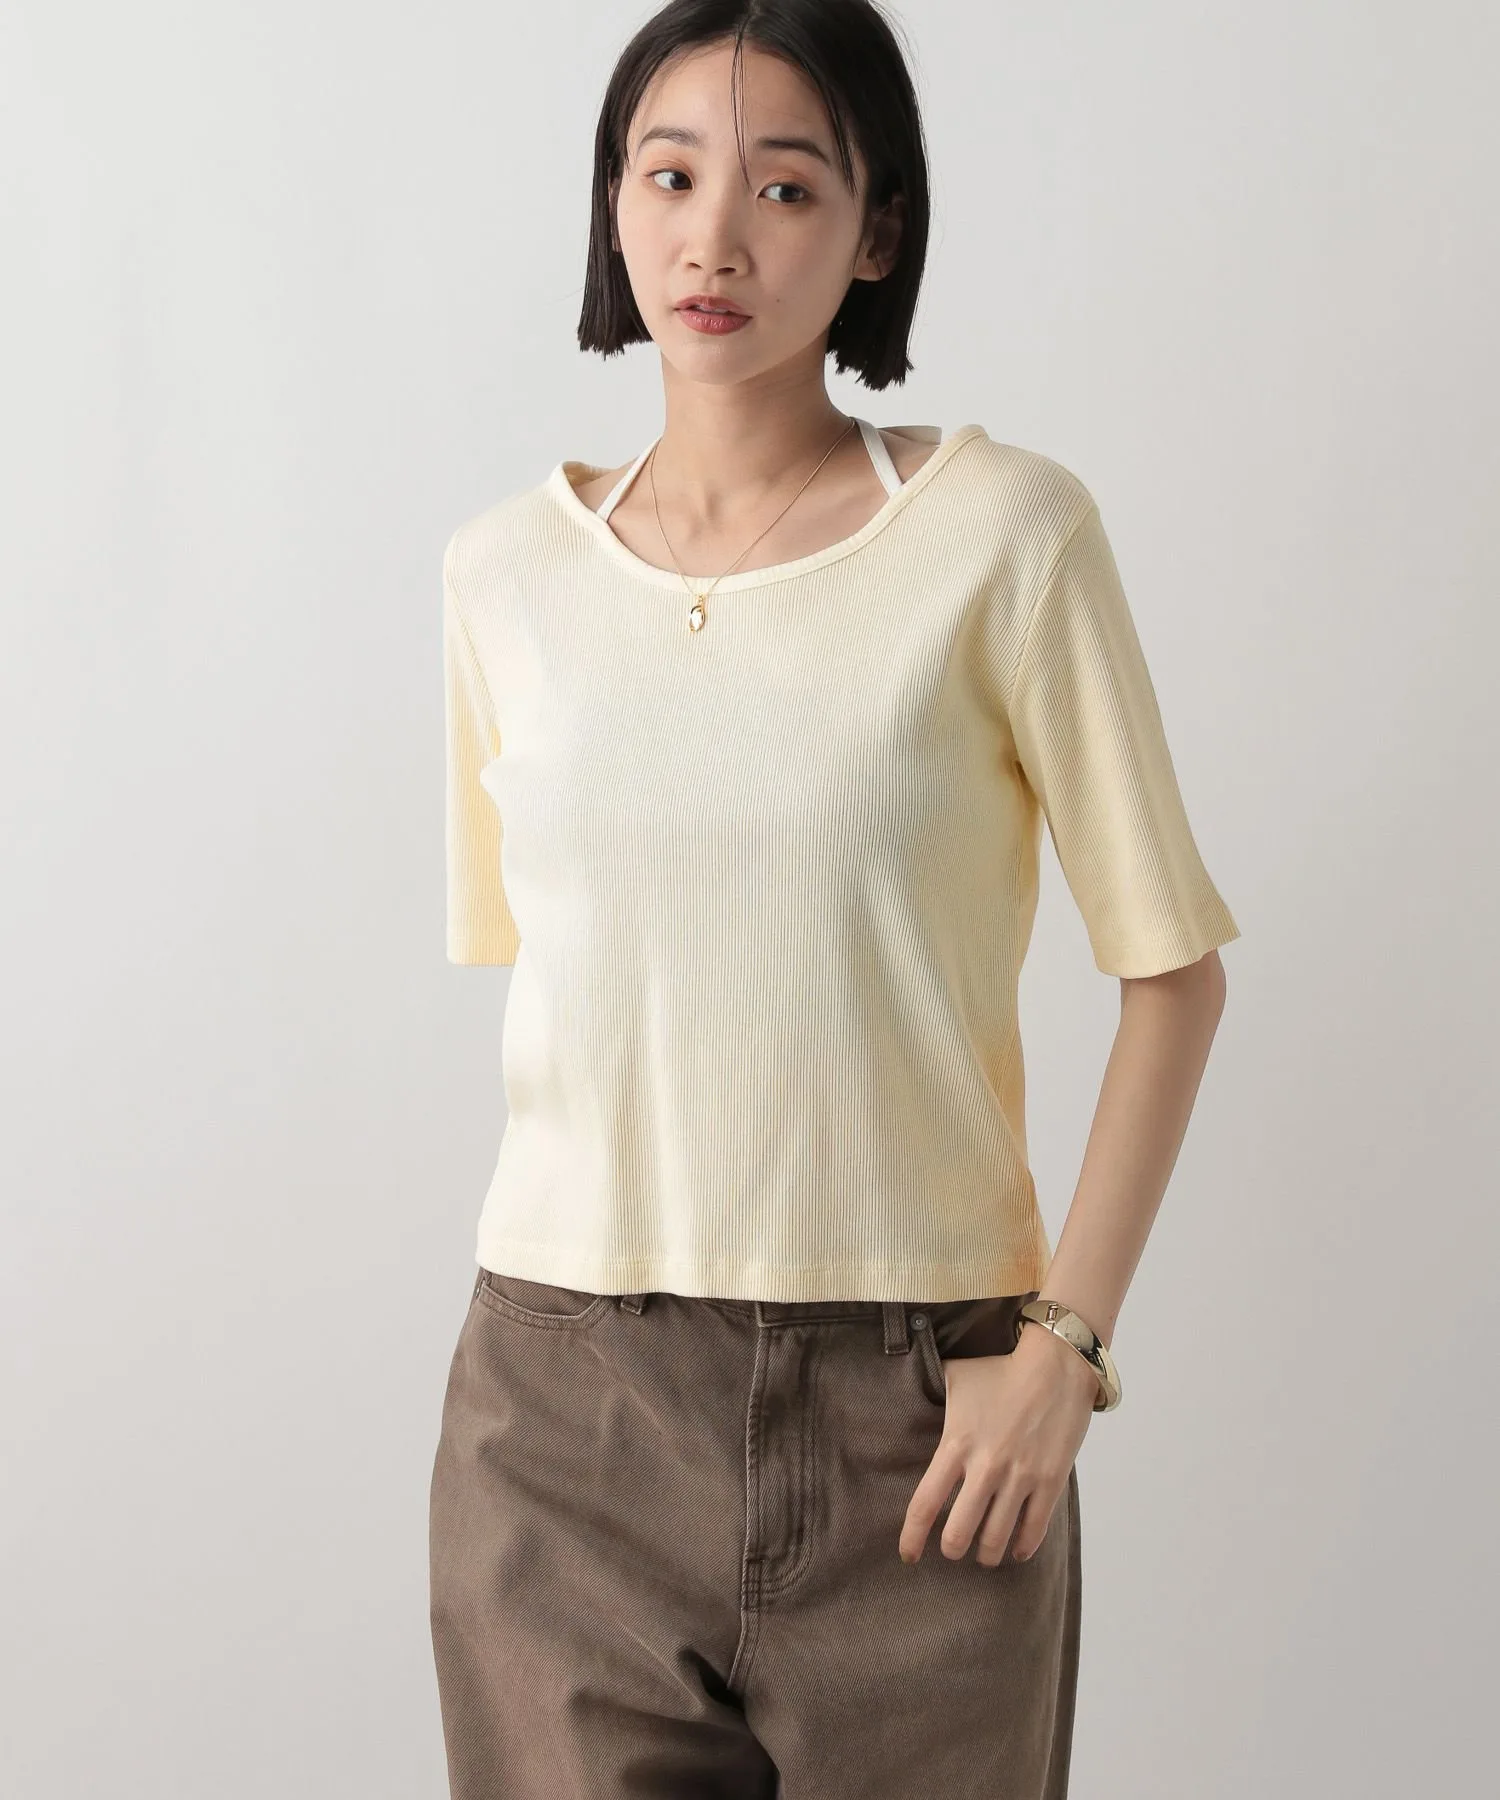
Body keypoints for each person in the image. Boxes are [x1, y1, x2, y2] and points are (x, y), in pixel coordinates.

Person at [428, 2, 1240, 1796]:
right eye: (670, 176)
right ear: (614, 206)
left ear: (877, 233)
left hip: (927, 1424)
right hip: (563, 1421)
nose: (716, 238)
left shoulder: (1007, 535)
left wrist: (1064, 1351)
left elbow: (1173, 974)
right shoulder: (501, 577)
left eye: (786, 186)